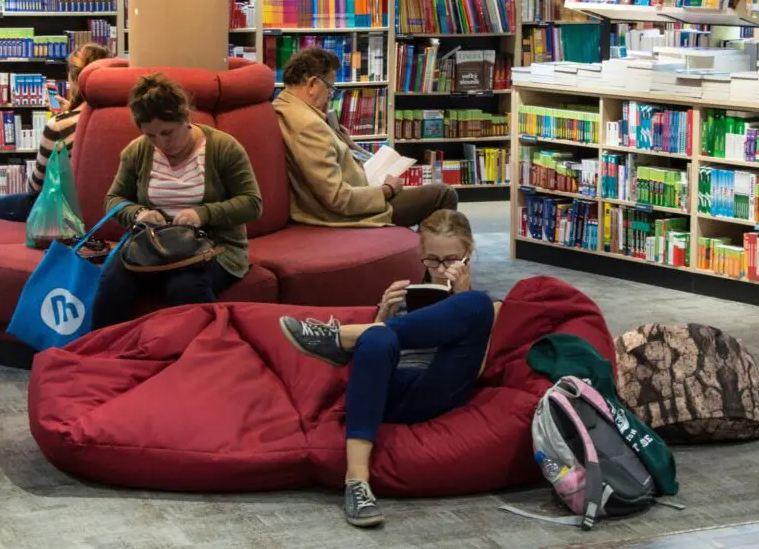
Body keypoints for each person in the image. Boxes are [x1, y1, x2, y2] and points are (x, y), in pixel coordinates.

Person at [278, 210, 495, 527]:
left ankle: (340, 337)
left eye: (451, 260)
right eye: (431, 260)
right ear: (420, 255)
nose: (441, 269)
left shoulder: (482, 305)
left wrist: (459, 297)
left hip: (438, 386)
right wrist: (382, 317)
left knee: (477, 304)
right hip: (390, 394)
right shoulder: (406, 297)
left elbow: (476, 372)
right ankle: (357, 484)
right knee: (378, 338)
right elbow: (374, 365)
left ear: (468, 253)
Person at [91, 73, 263, 328]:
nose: (161, 143)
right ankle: (101, 355)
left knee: (186, 286)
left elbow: (252, 203)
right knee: (111, 283)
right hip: (150, 245)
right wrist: (138, 214)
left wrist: (202, 215)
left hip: (211, 247)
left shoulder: (224, 148)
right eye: (151, 135)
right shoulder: (137, 151)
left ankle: (208, 357)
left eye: (168, 133)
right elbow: (113, 199)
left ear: (185, 118)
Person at [273, 47, 458, 227]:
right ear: (313, 84)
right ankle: (435, 255)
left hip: (359, 194)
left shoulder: (286, 106)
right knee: (444, 194)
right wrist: (387, 190)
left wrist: (350, 145)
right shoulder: (309, 126)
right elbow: (337, 198)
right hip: (350, 213)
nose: (330, 96)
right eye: (330, 88)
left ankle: (426, 253)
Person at [0, 43, 113, 221]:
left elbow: (35, 186)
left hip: (66, 210)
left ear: (74, 78)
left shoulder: (60, 125)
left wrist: (64, 118)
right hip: (107, 208)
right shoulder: (119, 117)